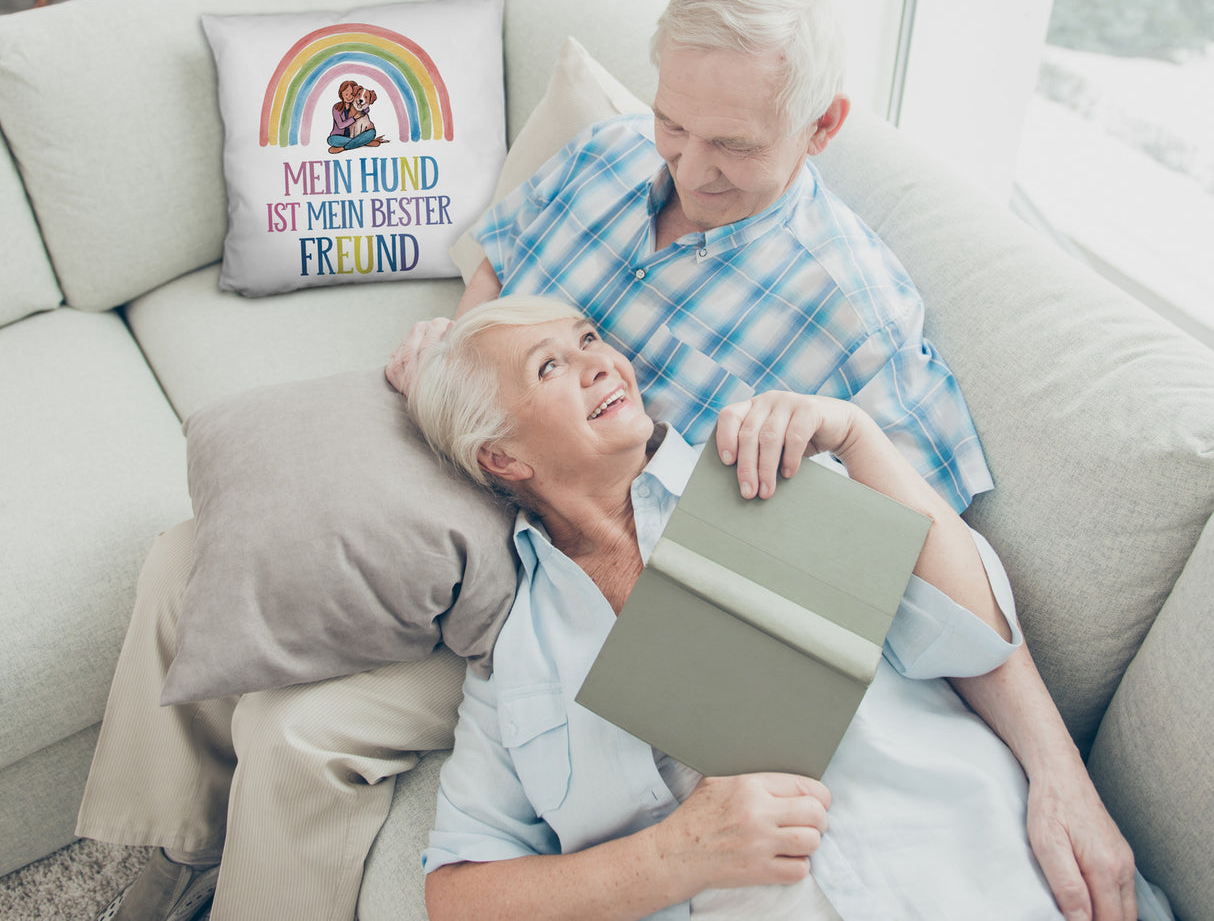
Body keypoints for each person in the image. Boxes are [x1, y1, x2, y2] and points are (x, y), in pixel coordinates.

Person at [388, 0, 1137, 920]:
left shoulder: (828, 373)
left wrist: (1058, 776)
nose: (689, 170)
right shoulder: (608, 157)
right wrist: (461, 364)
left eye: (732, 145)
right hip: (491, 543)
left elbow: (945, 594)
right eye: (674, 125)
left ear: (822, 127)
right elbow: (500, 259)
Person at [407, 296, 1162, 921]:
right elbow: (458, 894)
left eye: (589, 339)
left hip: (983, 874)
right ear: (502, 457)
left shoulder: (762, 469)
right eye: (551, 366)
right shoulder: (516, 658)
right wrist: (673, 857)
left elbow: (973, 636)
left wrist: (858, 438)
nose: (601, 361)